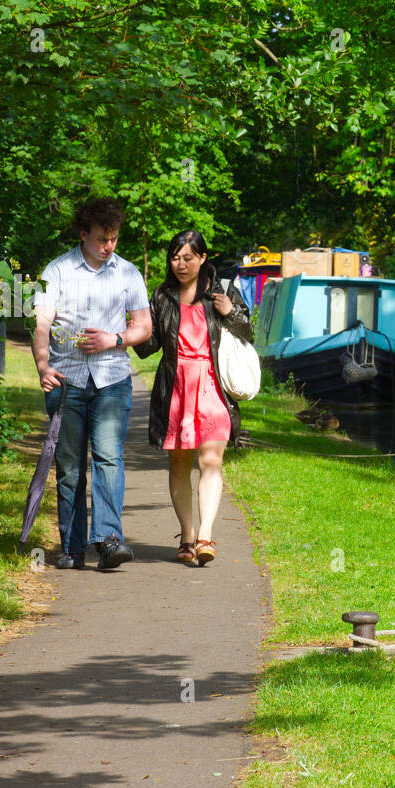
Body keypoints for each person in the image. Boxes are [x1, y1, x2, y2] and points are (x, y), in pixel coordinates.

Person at [31, 198, 151, 571]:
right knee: (69, 468)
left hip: (112, 379)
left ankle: (110, 540)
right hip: (67, 382)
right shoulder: (56, 271)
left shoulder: (128, 273)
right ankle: (72, 547)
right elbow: (40, 326)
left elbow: (144, 327)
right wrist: (42, 366)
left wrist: (114, 339)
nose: (109, 246)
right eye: (102, 239)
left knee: (109, 458)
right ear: (83, 234)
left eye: (114, 238)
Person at [136, 230, 252, 566]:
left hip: (212, 386)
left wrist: (231, 311)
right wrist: (135, 323)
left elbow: (248, 331)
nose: (180, 264)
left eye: (188, 257)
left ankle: (205, 536)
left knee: (211, 461)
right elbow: (148, 347)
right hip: (176, 386)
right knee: (180, 464)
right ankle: (186, 537)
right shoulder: (162, 296)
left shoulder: (222, 291)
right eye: (175, 257)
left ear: (202, 258)